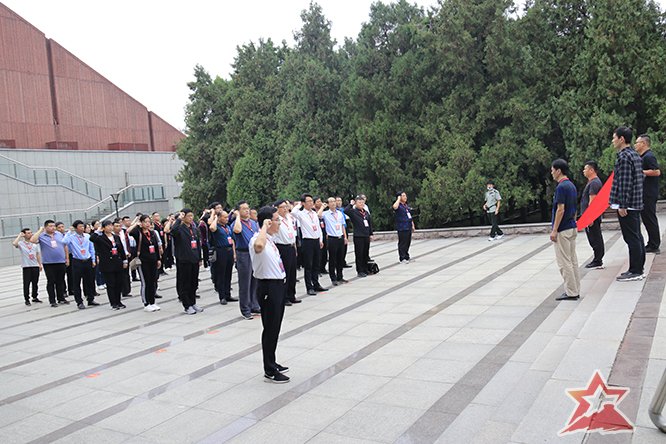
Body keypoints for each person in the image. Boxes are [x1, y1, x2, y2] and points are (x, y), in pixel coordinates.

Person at [250, 206, 290, 383]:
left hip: (278, 286)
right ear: (267, 222)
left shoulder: (270, 240)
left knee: (275, 327)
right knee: (270, 329)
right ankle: (269, 369)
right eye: (276, 220)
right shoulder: (257, 239)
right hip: (268, 287)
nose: (279, 223)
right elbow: (259, 247)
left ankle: (272, 361)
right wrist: (264, 228)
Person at [610, 126, 646, 281]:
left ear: (622, 139)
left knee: (631, 237)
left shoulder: (624, 157)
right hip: (635, 201)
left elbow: (625, 182)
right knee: (636, 236)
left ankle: (635, 271)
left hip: (628, 204)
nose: (613, 141)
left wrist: (623, 204)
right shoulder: (635, 155)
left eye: (614, 138)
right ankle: (639, 268)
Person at [550, 159, 581, 301]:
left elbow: (560, 209)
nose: (551, 173)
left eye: (552, 170)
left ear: (558, 171)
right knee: (572, 260)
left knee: (564, 262)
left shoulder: (561, 187)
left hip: (563, 229)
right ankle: (575, 289)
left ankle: (571, 292)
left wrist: (554, 230)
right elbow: (574, 207)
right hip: (571, 226)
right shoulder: (571, 186)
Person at [166, 209, 203, 315]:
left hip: (194, 259)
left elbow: (198, 244)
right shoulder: (179, 229)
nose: (191, 218)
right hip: (184, 260)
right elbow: (172, 231)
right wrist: (178, 219)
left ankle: (193, 302)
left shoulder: (194, 229)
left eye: (192, 216)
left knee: (194, 283)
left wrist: (199, 258)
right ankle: (187, 305)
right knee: (185, 283)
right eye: (188, 216)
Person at [292, 194, 327, 295]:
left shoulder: (314, 213)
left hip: (316, 240)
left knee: (316, 264)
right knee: (308, 265)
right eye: (308, 201)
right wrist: (299, 204)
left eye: (312, 201)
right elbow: (293, 212)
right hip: (307, 241)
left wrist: (320, 239)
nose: (311, 203)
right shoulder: (301, 214)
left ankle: (316, 284)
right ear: (303, 203)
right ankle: (309, 287)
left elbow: (318, 227)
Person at [232, 201, 261, 319]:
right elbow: (237, 230)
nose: (247, 210)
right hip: (243, 253)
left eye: (248, 208)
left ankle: (254, 304)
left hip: (254, 253)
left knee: (255, 280)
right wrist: (237, 216)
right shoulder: (236, 223)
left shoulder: (253, 223)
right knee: (245, 282)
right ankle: (245, 309)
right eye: (243, 209)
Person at [90, 220, 128, 310]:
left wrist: (124, 260)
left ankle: (118, 301)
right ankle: (113, 303)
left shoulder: (116, 237)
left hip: (117, 262)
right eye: (107, 226)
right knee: (111, 284)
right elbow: (92, 238)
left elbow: (121, 249)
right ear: (103, 228)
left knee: (119, 283)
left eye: (111, 225)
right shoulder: (100, 238)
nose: (110, 227)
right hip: (107, 264)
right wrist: (98, 230)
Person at [30, 220, 69, 307]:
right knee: (51, 281)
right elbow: (32, 240)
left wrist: (67, 258)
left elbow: (65, 246)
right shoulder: (41, 235)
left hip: (61, 261)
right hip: (49, 263)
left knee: (60, 281)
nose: (53, 228)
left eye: (54, 226)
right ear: (45, 227)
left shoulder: (59, 234)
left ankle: (61, 298)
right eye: (50, 226)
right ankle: (52, 300)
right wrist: (40, 230)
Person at [128, 214, 162, 312]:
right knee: (146, 282)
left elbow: (156, 247)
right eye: (145, 222)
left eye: (148, 222)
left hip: (153, 260)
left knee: (152, 281)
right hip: (143, 261)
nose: (147, 224)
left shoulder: (152, 233)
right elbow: (129, 231)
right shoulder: (138, 233)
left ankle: (152, 302)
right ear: (141, 223)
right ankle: (146, 303)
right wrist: (136, 224)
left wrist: (158, 259)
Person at [63, 220, 99, 309]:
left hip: (88, 260)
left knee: (89, 281)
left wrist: (93, 260)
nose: (82, 228)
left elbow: (91, 248)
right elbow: (63, 242)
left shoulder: (87, 236)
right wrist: (69, 232)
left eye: (83, 226)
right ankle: (79, 302)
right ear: (75, 228)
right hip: (77, 261)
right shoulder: (71, 237)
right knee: (77, 282)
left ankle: (90, 299)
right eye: (80, 227)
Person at [635, 134, 661, 254]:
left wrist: (640, 172)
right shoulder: (643, 157)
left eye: (637, 143)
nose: (635, 145)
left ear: (644, 143)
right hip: (644, 193)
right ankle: (651, 243)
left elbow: (656, 171)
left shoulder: (649, 156)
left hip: (649, 193)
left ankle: (654, 244)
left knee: (650, 218)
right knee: (646, 218)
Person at [273, 200, 301, 305]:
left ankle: (291, 295)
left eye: (286, 206)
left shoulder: (289, 218)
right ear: (277, 208)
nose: (285, 209)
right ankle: (284, 297)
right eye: (283, 207)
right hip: (282, 247)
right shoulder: (276, 220)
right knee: (286, 273)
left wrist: (295, 247)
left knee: (293, 273)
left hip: (291, 246)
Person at [209, 209, 237, 305]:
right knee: (221, 274)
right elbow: (212, 228)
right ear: (219, 218)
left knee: (228, 274)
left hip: (229, 250)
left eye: (227, 217)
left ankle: (228, 294)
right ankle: (222, 296)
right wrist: (215, 218)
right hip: (221, 251)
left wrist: (234, 253)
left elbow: (232, 240)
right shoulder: (216, 227)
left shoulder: (227, 227)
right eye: (224, 217)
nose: (227, 219)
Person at [580, 161, 605, 269]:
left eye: (585, 169)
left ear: (591, 170)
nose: (583, 171)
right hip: (590, 216)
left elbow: (593, 201)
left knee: (595, 237)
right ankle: (597, 258)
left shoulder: (594, 183)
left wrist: (590, 217)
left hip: (592, 217)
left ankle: (598, 259)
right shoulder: (592, 182)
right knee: (593, 237)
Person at [320, 197, 348, 285]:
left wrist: (345, 237)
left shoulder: (339, 213)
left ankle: (340, 276)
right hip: (332, 238)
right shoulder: (325, 214)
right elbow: (318, 215)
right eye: (331, 202)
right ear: (328, 204)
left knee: (340, 258)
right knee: (332, 259)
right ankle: (333, 278)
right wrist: (322, 207)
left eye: (334, 201)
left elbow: (342, 225)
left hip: (340, 237)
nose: (333, 203)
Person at [345, 196, 374, 277]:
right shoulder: (353, 212)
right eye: (359, 202)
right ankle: (360, 270)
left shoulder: (366, 212)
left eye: (362, 202)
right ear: (356, 203)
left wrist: (371, 234)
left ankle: (365, 269)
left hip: (366, 235)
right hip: (358, 236)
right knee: (359, 254)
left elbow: (369, 223)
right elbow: (346, 210)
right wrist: (351, 204)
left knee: (365, 253)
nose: (361, 204)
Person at [12, 228, 43, 305]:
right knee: (26, 283)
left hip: (35, 265)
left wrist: (39, 264)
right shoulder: (21, 243)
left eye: (31, 232)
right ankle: (27, 299)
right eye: (28, 233)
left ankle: (35, 297)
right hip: (26, 266)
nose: (31, 234)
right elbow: (14, 243)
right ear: (24, 234)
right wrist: (19, 235)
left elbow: (37, 254)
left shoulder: (35, 244)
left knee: (35, 282)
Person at [393, 191, 415, 263]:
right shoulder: (398, 205)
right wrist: (398, 199)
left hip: (408, 226)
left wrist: (412, 224)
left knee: (407, 242)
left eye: (405, 196)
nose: (405, 197)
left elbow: (409, 216)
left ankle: (406, 256)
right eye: (403, 196)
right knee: (402, 243)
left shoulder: (405, 206)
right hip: (402, 227)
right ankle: (402, 258)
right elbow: (394, 207)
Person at [336, 196, 352, 268]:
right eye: (337, 200)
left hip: (345, 228)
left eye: (340, 200)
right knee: (339, 247)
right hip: (338, 230)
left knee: (345, 246)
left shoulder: (343, 209)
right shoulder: (334, 211)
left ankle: (343, 261)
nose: (339, 202)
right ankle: (338, 262)